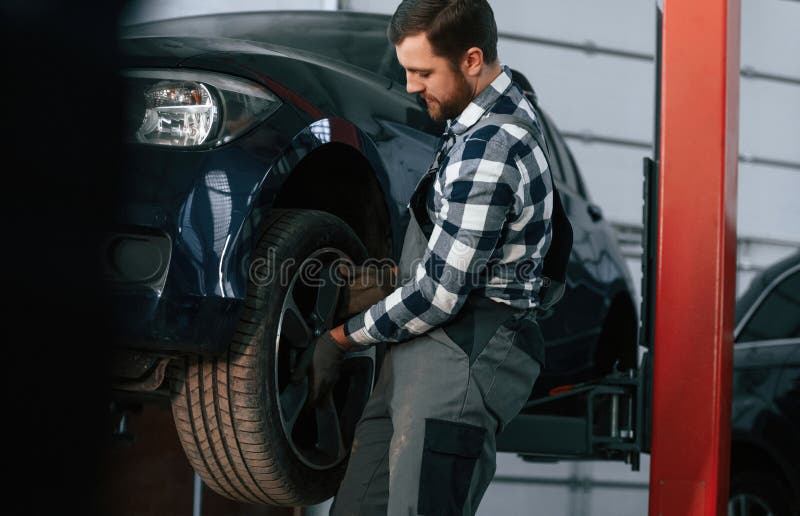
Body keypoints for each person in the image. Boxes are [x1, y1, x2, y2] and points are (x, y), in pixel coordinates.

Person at [292, 1, 555, 514]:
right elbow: (450, 254)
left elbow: (439, 294)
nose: (411, 86)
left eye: (422, 72)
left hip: (460, 361)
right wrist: (384, 280)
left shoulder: (492, 146)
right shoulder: (468, 126)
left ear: (472, 59)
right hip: (416, 352)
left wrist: (341, 338)